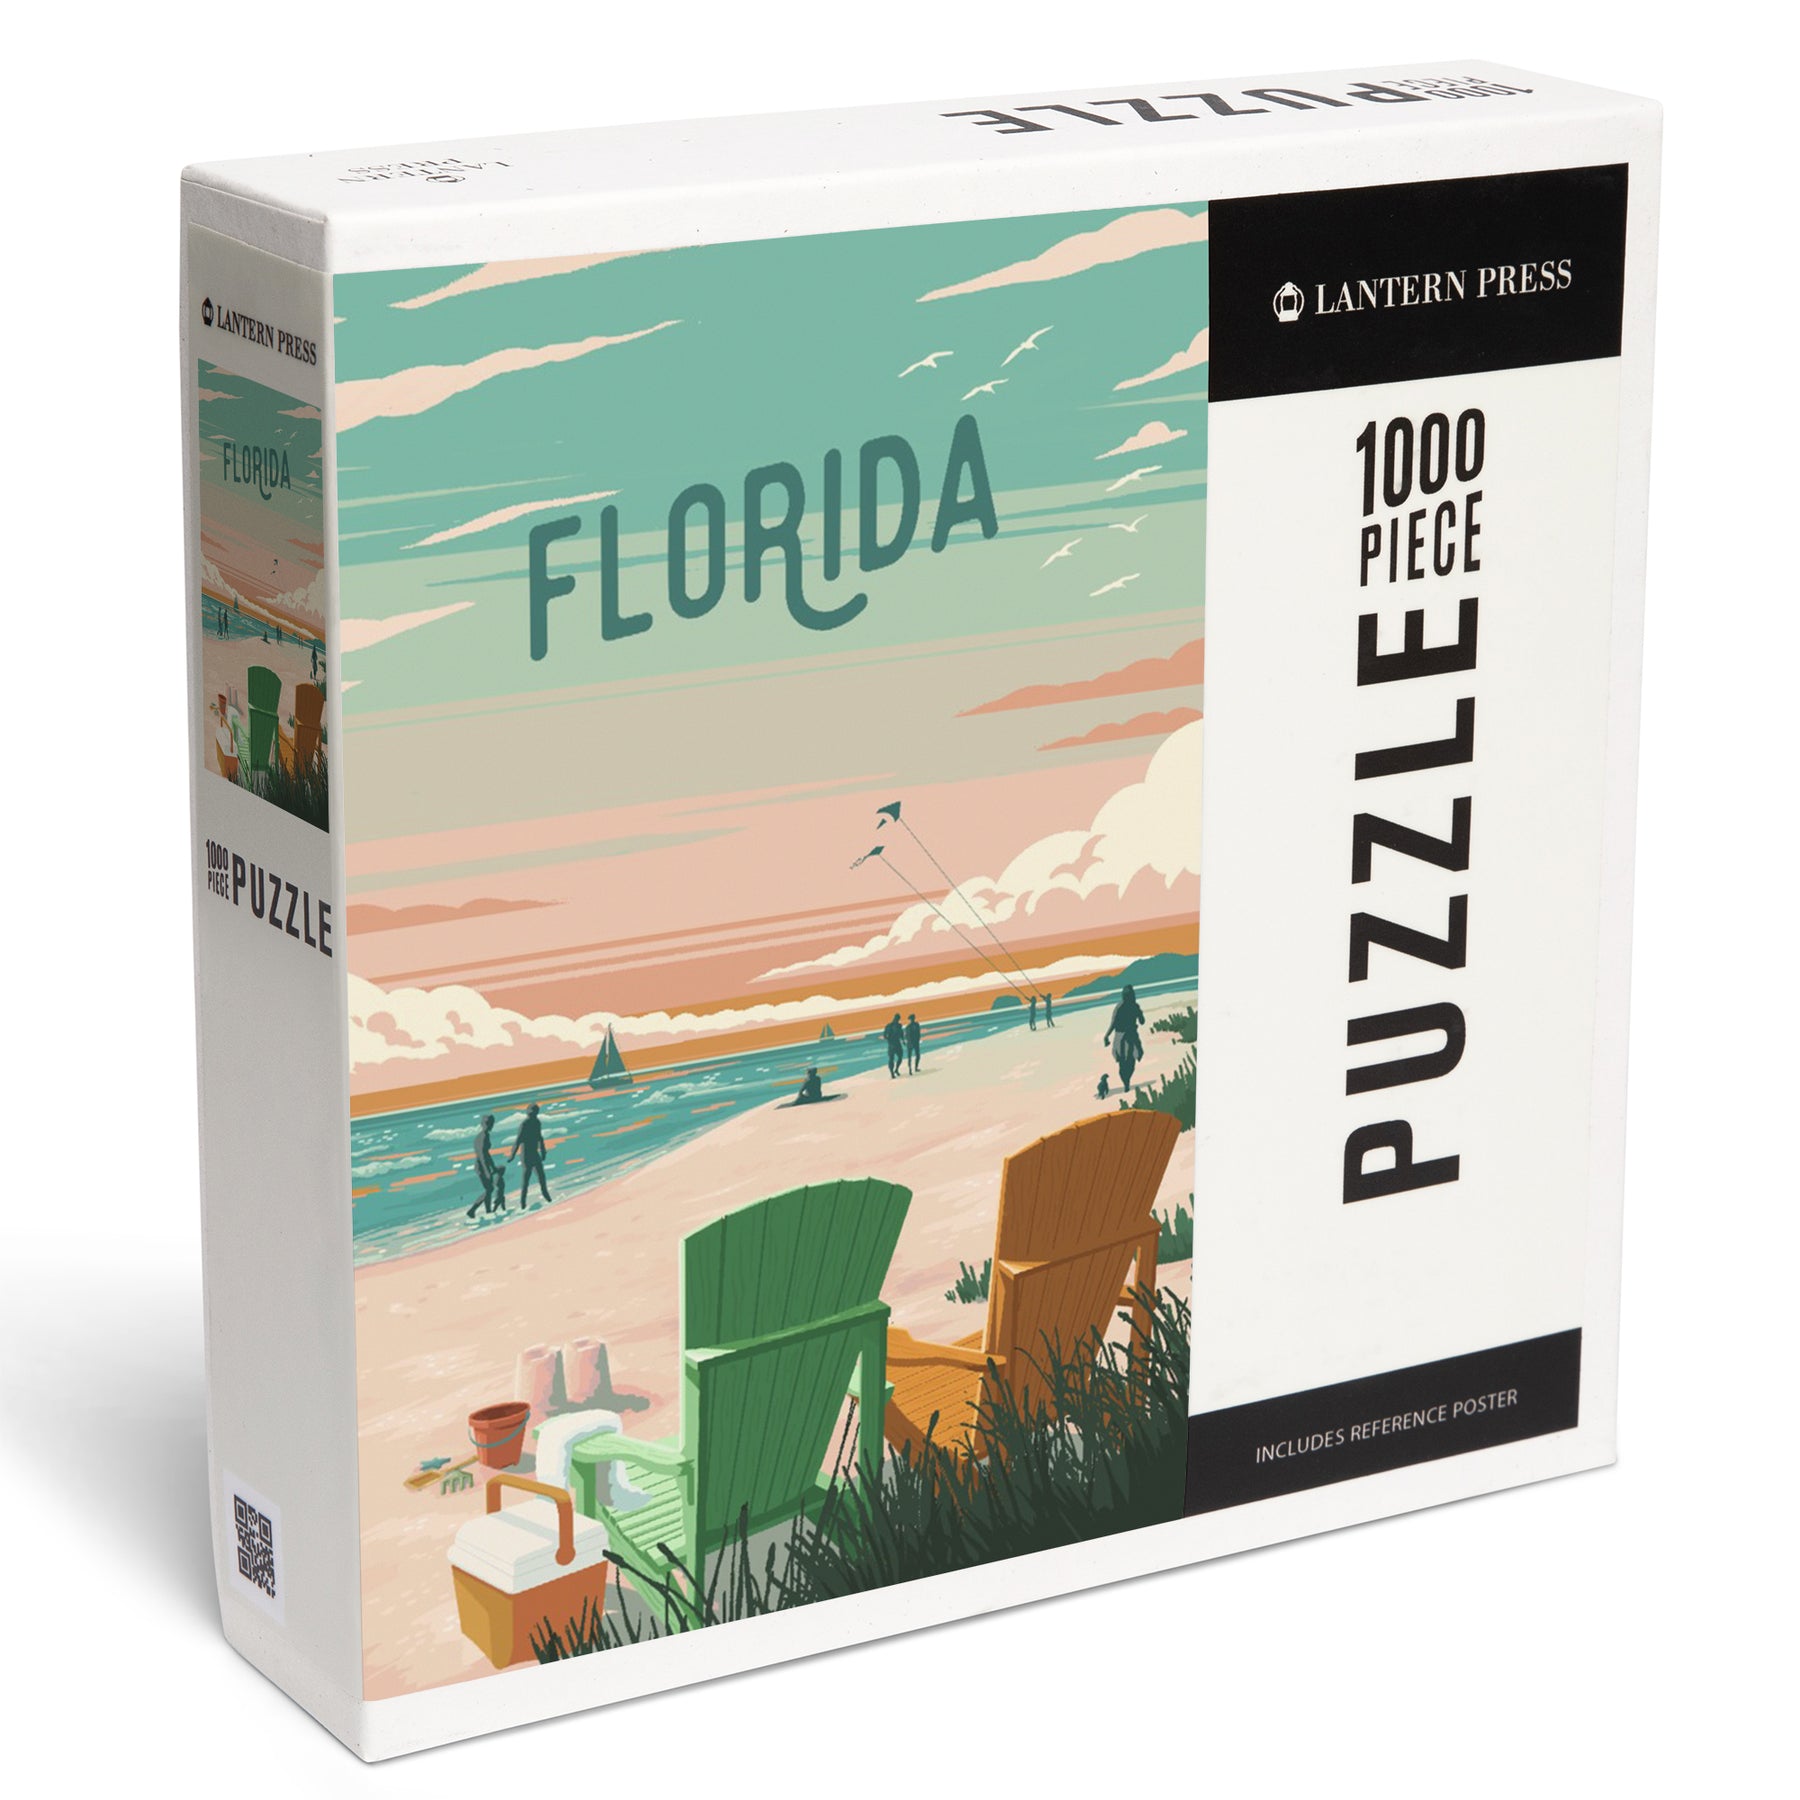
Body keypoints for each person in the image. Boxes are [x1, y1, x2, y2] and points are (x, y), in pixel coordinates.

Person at [510, 1102, 553, 1207]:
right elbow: (518, 1140)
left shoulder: (537, 1122)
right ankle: (523, 1202)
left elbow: (539, 1138)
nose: (533, 1113)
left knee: (541, 1176)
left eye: (535, 1111)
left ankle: (546, 1195)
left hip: (534, 1153)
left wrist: (543, 1151)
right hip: (526, 1154)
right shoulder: (525, 1124)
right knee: (526, 1178)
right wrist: (512, 1155)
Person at [1104, 985, 1146, 1088]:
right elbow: (1142, 1021)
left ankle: (1126, 1082)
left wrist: (1107, 1036)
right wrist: (1106, 1036)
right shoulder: (1131, 1006)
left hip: (1126, 1036)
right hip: (1125, 1036)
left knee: (1126, 1062)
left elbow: (1113, 1023)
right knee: (1128, 1061)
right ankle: (1126, 1082)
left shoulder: (1123, 1006)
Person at [466, 1114, 501, 1218]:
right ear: (483, 1124)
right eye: (488, 1123)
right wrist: (487, 1171)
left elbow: (487, 1154)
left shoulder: (484, 1135)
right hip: (481, 1166)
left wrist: (493, 1167)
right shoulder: (483, 1137)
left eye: (491, 1123)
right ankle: (474, 1210)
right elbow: (482, 1155)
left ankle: (486, 1211)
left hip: (484, 1165)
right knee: (489, 1189)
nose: (490, 1126)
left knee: (489, 1189)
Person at [883, 1012, 905, 1077]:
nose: (897, 1020)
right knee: (892, 1059)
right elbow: (885, 1035)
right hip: (892, 1044)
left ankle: (895, 1070)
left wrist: (903, 1041)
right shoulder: (889, 1026)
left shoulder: (898, 1026)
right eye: (896, 1018)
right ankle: (892, 1072)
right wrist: (888, 1039)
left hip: (896, 1044)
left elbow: (901, 1034)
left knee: (899, 1058)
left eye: (898, 1019)